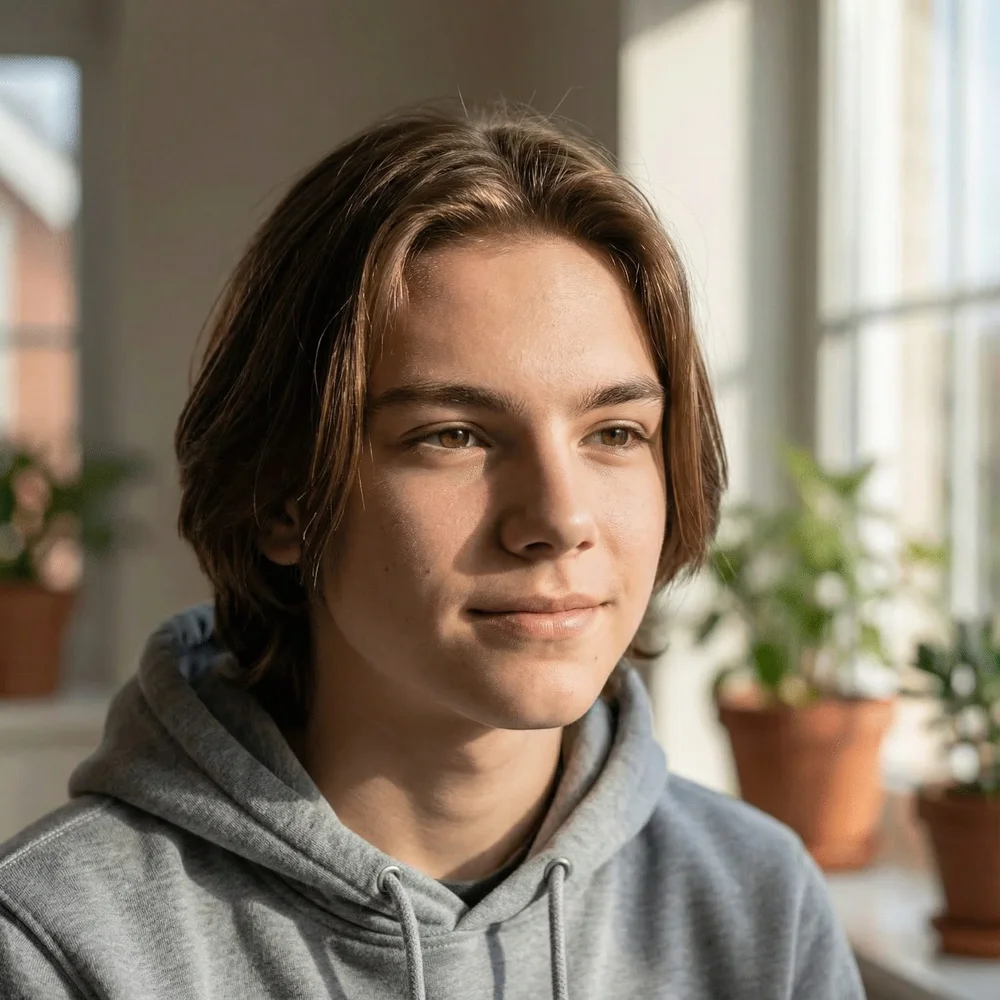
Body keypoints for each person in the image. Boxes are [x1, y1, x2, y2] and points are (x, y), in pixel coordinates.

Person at [0, 105, 865, 1000]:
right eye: (453, 434)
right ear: (280, 501)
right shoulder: (55, 945)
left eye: (614, 431)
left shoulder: (760, 910)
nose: (560, 518)